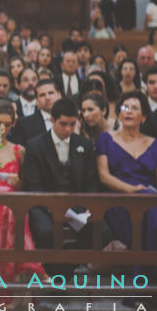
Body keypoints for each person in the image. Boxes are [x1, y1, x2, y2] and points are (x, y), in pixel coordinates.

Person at [95, 90, 157, 305]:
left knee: (155, 212)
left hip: (151, 200)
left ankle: (154, 292)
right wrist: (132, 190)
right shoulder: (106, 139)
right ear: (118, 114)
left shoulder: (154, 142)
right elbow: (104, 176)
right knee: (153, 212)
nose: (129, 111)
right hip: (120, 200)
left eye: (135, 108)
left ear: (144, 117)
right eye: (125, 107)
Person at [0, 98, 48, 309]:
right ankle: (31, 267)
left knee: (12, 210)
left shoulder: (19, 150)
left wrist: (18, 183)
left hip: (13, 204)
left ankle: (17, 286)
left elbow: (27, 185)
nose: (2, 129)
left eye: (7, 124)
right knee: (6, 210)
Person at [22, 98, 98, 276]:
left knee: (98, 228)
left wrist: (87, 208)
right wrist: (54, 209)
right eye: (63, 124)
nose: (68, 129)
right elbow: (33, 185)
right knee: (46, 231)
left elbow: (90, 182)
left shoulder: (84, 145)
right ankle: (53, 273)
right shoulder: (35, 146)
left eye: (72, 124)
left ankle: (69, 269)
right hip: (44, 205)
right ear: (52, 121)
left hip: (77, 205)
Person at [10, 79, 62, 145]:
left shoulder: (72, 120)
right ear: (36, 100)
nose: (47, 97)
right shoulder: (24, 124)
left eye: (51, 93)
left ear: (59, 95)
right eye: (42, 95)